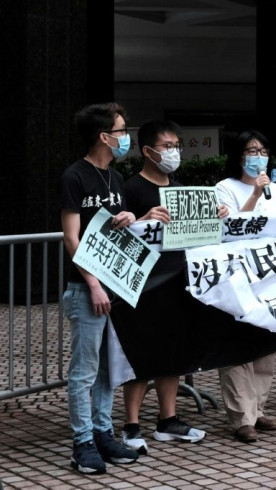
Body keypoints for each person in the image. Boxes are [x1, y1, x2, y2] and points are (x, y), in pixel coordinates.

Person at [121, 120, 215, 455]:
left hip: (178, 280)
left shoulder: (181, 188)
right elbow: (119, 234)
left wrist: (215, 215)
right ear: (147, 151)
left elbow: (201, 233)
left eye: (177, 146)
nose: (174, 152)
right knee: (139, 355)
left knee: (173, 353)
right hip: (142, 285)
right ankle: (131, 425)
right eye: (167, 146)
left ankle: (168, 420)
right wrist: (142, 220)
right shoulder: (130, 188)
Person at [60, 102, 139, 474]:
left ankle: (103, 432)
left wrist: (130, 217)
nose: (126, 138)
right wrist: (92, 283)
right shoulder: (75, 176)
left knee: (107, 369)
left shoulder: (117, 179)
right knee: (84, 371)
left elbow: (114, 228)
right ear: (103, 136)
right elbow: (72, 239)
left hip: (115, 287)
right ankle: (82, 443)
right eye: (122, 131)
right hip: (85, 289)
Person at [215, 130, 276, 443]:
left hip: (268, 277)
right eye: (250, 150)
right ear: (238, 155)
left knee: (264, 346)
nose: (258, 155)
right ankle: (240, 417)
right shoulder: (224, 188)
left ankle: (257, 409)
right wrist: (255, 195)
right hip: (237, 277)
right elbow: (231, 230)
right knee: (236, 347)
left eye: (262, 149)